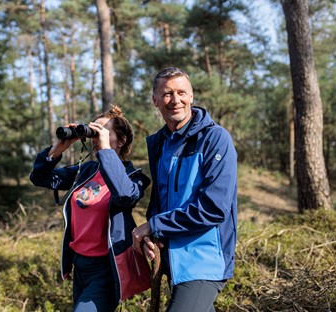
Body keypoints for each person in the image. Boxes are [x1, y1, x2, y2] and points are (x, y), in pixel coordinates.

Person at [132, 67, 238, 312]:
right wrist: (153, 236)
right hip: (172, 260)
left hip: (204, 260)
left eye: (181, 92)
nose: (175, 100)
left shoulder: (215, 138)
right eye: (167, 94)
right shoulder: (158, 144)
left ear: (191, 96)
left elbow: (213, 208)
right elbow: (160, 201)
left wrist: (155, 225)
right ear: (155, 101)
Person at [30, 105, 151, 312]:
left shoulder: (135, 177)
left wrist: (105, 151)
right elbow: (40, 178)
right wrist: (58, 149)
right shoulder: (86, 171)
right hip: (80, 267)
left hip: (107, 268)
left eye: (101, 132)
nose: (96, 138)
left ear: (121, 141)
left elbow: (124, 195)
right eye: (94, 131)